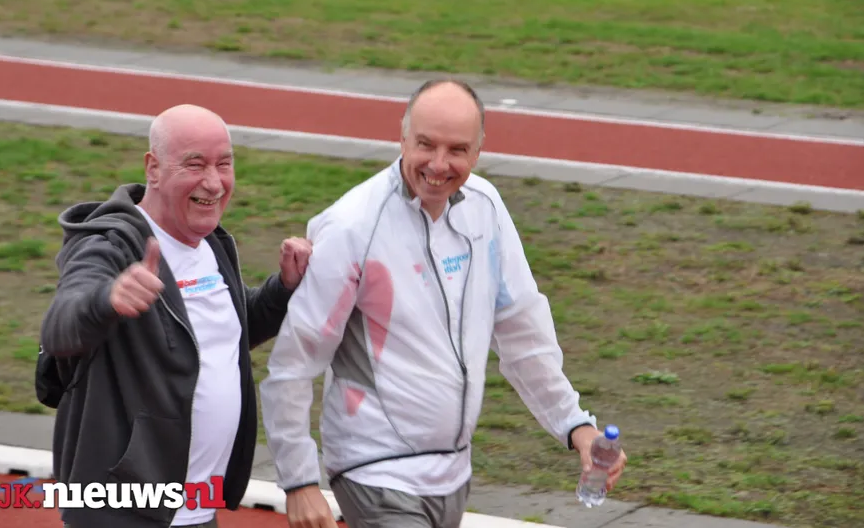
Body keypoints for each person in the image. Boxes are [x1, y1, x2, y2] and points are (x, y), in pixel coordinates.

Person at [259, 80, 626, 528]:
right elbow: (294, 362)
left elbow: (521, 330)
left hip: (454, 474)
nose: (438, 164)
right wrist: (298, 480)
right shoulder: (352, 227)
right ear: (402, 138)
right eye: (425, 144)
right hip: (373, 470)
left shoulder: (486, 209)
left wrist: (576, 426)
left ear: (478, 151)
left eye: (456, 150)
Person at [39, 104, 313, 528]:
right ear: (153, 168)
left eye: (224, 164)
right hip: (124, 512)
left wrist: (284, 288)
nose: (214, 182)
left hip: (196, 508)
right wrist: (107, 299)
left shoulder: (209, 244)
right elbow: (60, 327)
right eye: (195, 164)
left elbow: (227, 330)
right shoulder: (111, 244)